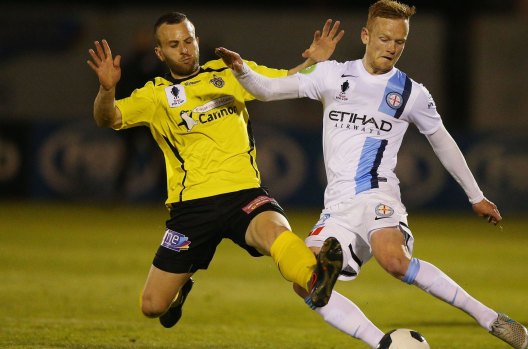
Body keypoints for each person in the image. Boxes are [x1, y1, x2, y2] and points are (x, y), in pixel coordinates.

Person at [215, 1, 528, 348]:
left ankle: (489, 318)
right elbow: (268, 89)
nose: (391, 48)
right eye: (384, 39)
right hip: (337, 207)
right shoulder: (331, 74)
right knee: (305, 280)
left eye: (400, 42)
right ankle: (383, 343)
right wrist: (242, 70)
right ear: (366, 36)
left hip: (377, 194)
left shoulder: (412, 93)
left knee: (393, 261)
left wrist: (476, 196)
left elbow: (443, 142)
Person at [86, 12, 346, 329]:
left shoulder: (229, 72)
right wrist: (107, 89)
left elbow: (284, 81)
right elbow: (107, 118)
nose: (184, 49)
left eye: (188, 40)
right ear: (160, 53)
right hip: (192, 208)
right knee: (152, 306)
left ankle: (316, 277)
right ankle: (180, 290)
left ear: (196, 40)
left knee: (276, 233)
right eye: (174, 44)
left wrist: (315, 61)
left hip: (244, 194)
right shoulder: (154, 95)